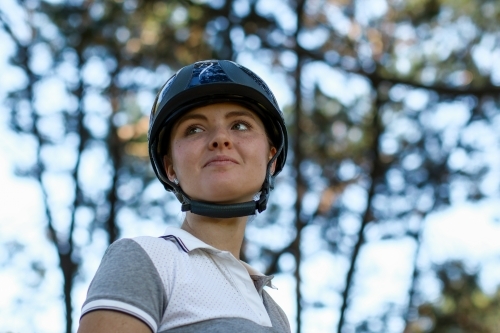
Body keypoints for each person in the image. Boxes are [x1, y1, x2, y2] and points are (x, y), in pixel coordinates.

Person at [77, 60, 290, 333]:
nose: (220, 139)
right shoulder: (146, 259)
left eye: (239, 125)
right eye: (194, 129)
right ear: (170, 167)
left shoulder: (275, 314)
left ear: (271, 159)